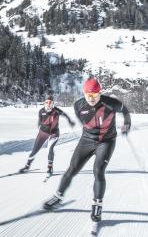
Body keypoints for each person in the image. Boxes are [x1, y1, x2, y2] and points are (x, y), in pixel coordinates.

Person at [42, 78, 131, 222]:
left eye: (95, 96)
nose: (91, 99)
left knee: (98, 171)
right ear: (83, 93)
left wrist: (127, 124)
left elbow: (125, 111)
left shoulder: (111, 103)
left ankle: (97, 205)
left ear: (99, 94)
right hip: (87, 140)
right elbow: (85, 122)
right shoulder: (78, 105)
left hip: (106, 142)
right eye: (88, 95)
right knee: (72, 169)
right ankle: (58, 197)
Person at [19, 95, 75, 177]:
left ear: (53, 104)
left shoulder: (56, 111)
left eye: (50, 102)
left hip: (54, 133)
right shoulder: (41, 111)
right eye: (47, 102)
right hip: (43, 133)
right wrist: (39, 127)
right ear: (44, 103)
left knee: (49, 148)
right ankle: (27, 166)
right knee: (34, 151)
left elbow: (65, 115)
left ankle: (50, 168)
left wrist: (70, 121)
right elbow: (40, 121)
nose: (48, 104)